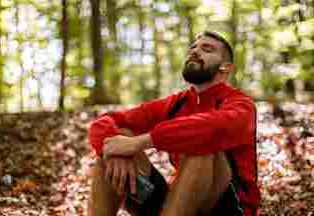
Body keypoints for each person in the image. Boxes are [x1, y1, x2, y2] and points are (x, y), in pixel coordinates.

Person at [87, 30, 260, 216]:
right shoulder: (176, 103)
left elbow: (210, 128)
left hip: (229, 209)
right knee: (113, 143)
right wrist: (115, 152)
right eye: (193, 47)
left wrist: (139, 142)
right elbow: (105, 121)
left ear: (225, 67)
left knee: (202, 146)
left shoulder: (241, 105)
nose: (195, 51)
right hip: (180, 206)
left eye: (207, 49)